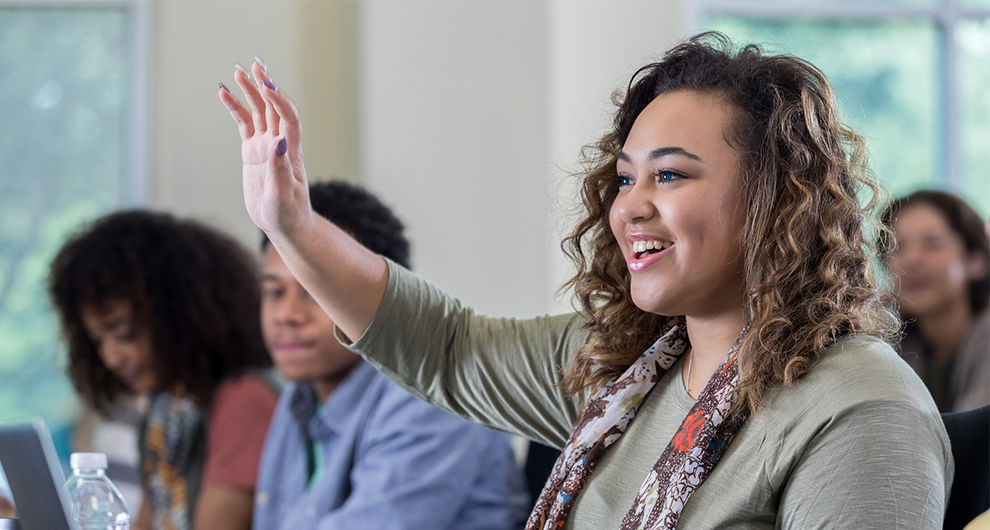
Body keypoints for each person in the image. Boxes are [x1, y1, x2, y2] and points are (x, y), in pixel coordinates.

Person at [219, 32, 952, 529]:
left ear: (775, 201)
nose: (629, 205)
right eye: (625, 178)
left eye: (669, 175)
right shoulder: (629, 370)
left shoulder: (861, 409)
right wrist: (292, 225)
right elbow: (442, 347)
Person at [252, 180, 528, 529]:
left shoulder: (428, 395)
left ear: (381, 298)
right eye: (274, 292)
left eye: (314, 291)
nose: (287, 315)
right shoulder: (300, 396)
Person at [48, 210, 279, 530]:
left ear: (178, 313)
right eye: (98, 342)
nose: (112, 359)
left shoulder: (243, 400)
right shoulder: (167, 407)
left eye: (124, 333)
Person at [884, 190, 990, 412]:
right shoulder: (890, 344)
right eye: (898, 246)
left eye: (932, 244)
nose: (911, 260)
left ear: (976, 260)